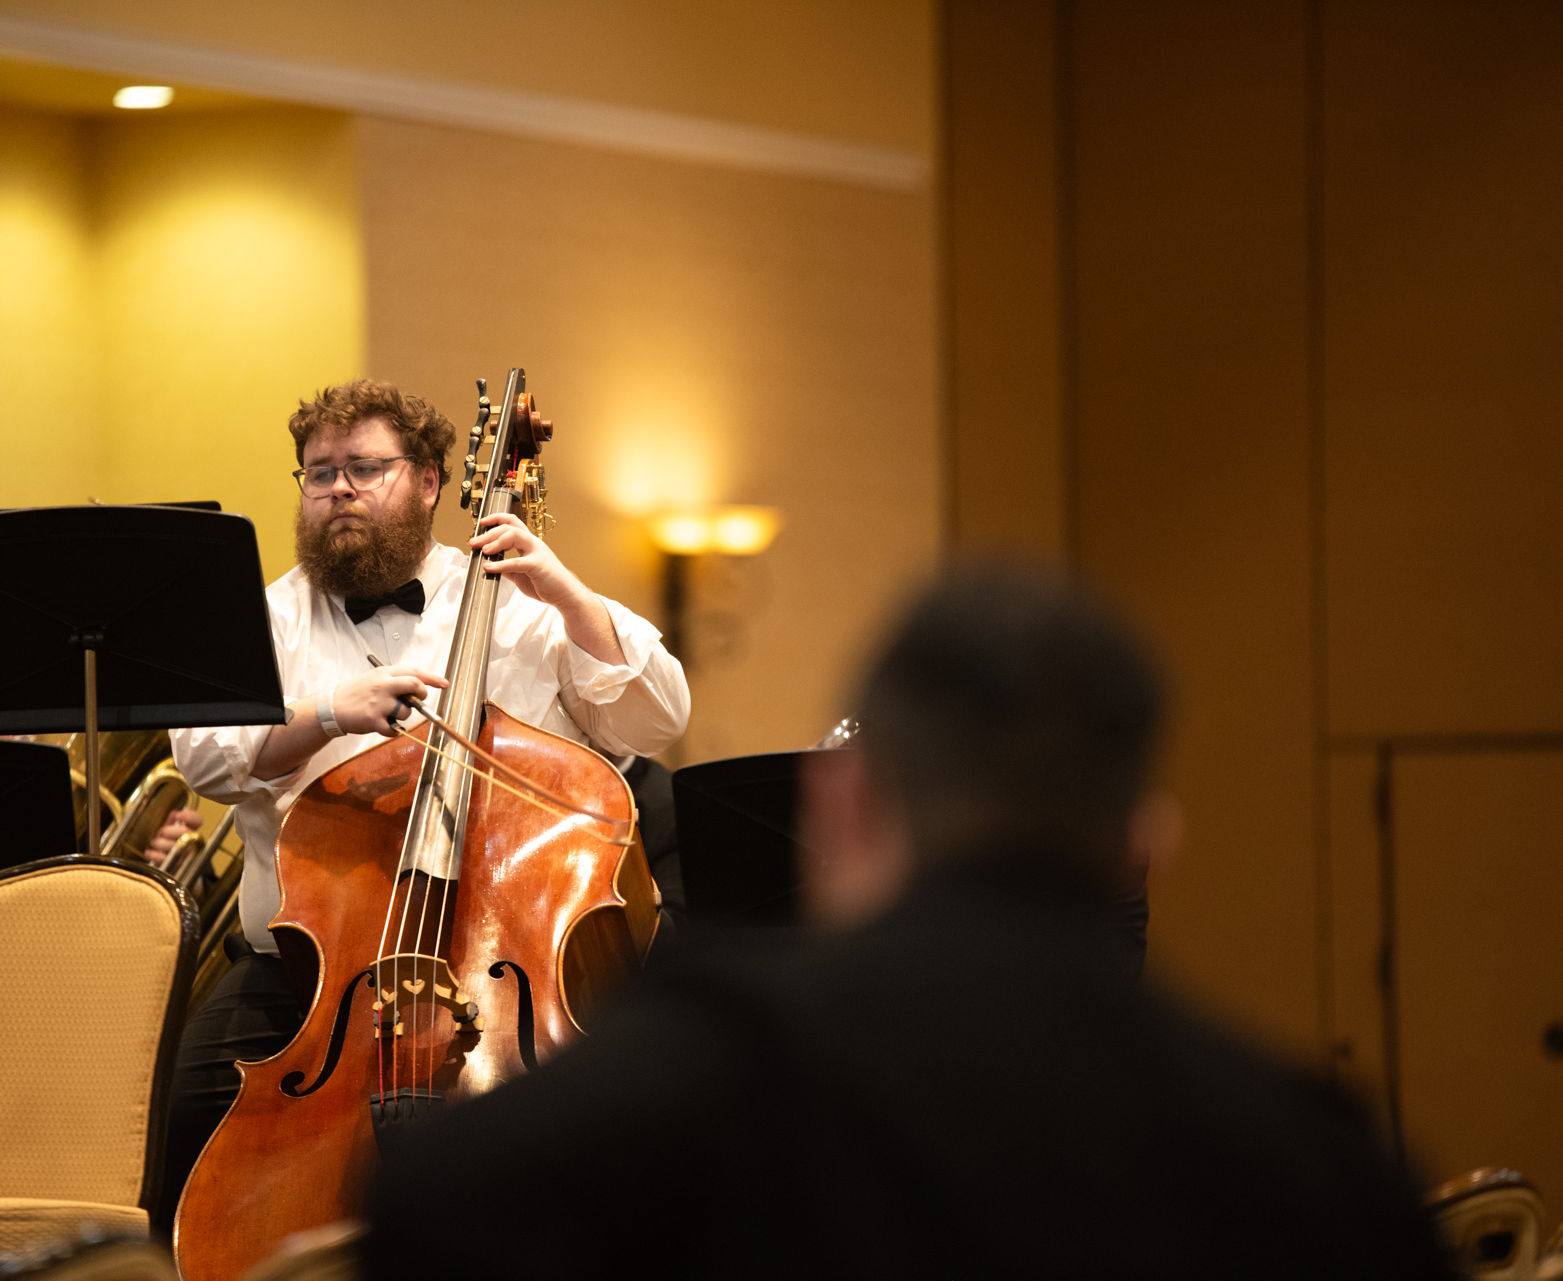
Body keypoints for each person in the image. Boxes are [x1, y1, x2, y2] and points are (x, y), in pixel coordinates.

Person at [362, 566, 1451, 1280]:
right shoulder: (1309, 1152)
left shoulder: (709, 1063)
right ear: (1146, 839)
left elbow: (426, 1207)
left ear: (844, 800)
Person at [153, 378, 688, 1234]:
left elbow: (659, 716)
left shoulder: (518, 599)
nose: (339, 490)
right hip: (307, 982)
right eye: (319, 472)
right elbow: (202, 754)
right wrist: (328, 712)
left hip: (489, 970)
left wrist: (569, 594)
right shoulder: (272, 615)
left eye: (365, 467)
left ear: (432, 481)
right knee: (177, 1127)